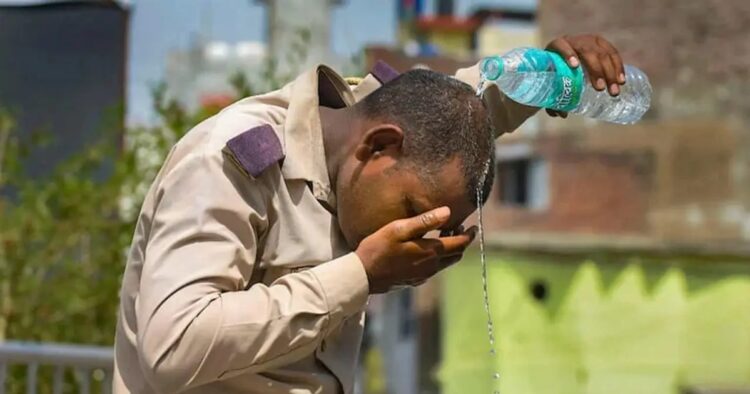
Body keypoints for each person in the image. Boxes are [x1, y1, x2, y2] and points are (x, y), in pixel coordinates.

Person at [113, 34, 625, 393]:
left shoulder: (378, 124)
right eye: (414, 211)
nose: (417, 234)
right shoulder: (231, 162)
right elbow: (172, 346)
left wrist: (549, 69)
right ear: (378, 147)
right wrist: (358, 274)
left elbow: (464, 104)